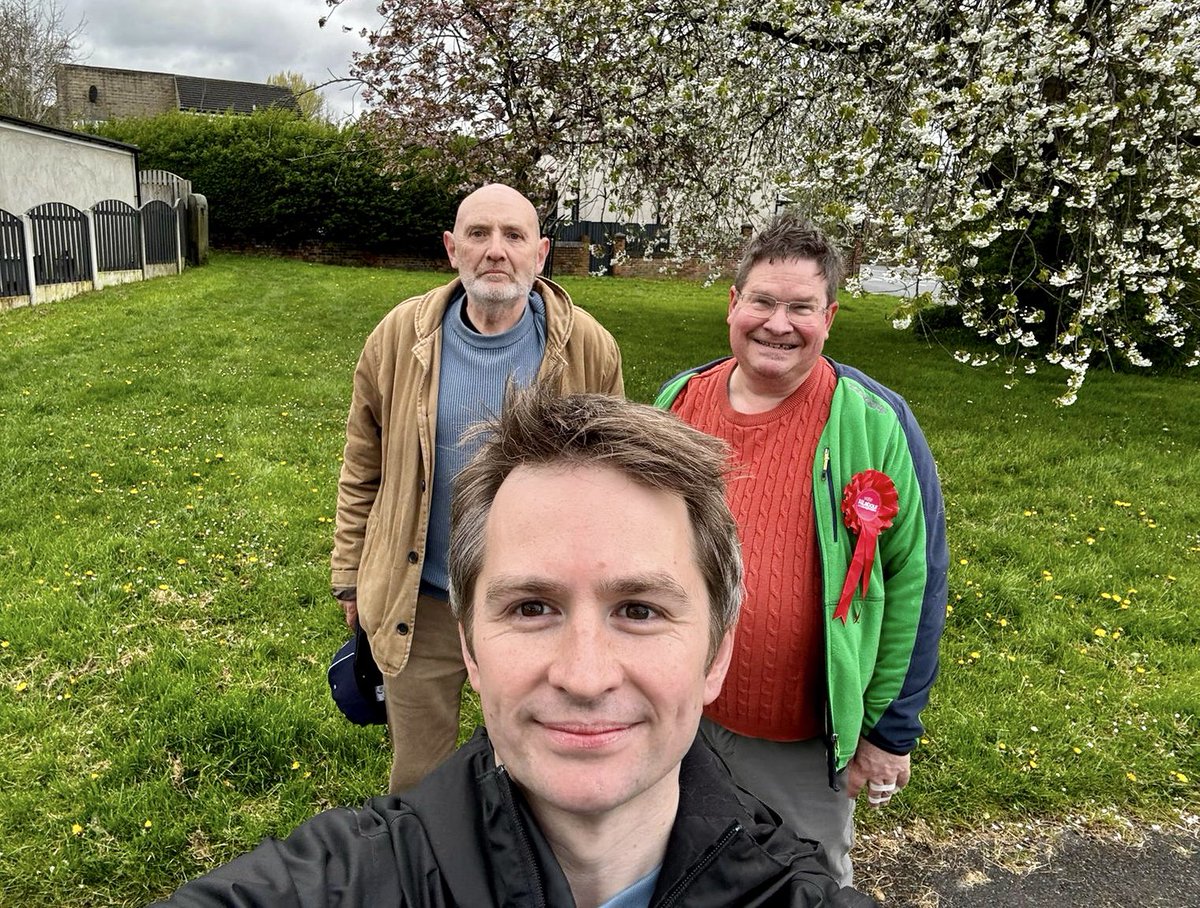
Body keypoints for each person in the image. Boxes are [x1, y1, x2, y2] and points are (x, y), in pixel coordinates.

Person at [153, 389, 876, 907]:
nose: (585, 675)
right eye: (532, 608)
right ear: (469, 648)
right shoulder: (351, 880)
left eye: (640, 609)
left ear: (716, 654)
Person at [654, 213, 948, 886]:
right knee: (685, 871)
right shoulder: (678, 402)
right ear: (733, 304)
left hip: (801, 739)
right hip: (683, 712)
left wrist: (889, 731)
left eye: (800, 307)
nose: (777, 323)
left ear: (830, 316)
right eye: (761, 300)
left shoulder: (875, 422)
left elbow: (917, 579)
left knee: (804, 885)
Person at [331, 183, 623, 793]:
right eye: (478, 234)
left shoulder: (588, 347)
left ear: (540, 253)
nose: (496, 251)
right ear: (451, 248)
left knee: (530, 765)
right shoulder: (397, 337)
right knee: (419, 776)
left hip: (535, 603)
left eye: (513, 236)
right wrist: (352, 574)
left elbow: (611, 481)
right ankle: (430, 874)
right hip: (425, 599)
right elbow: (363, 464)